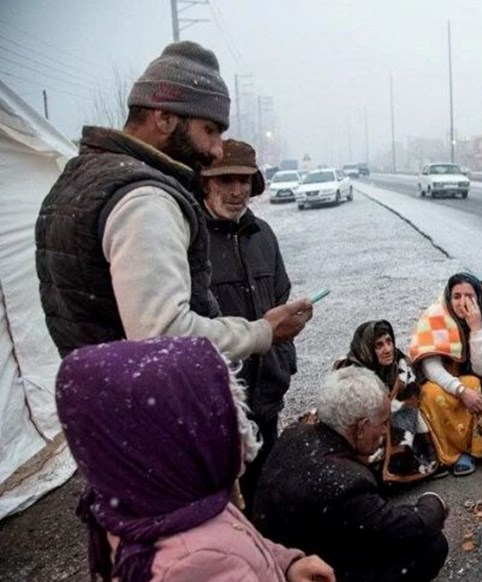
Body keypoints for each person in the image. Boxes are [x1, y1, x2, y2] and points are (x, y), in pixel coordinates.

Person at [56, 336, 347, 582]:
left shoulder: (157, 504)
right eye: (227, 418)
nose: (238, 430)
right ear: (185, 443)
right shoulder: (196, 564)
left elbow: (230, 538)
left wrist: (285, 563)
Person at [36, 41, 311, 360]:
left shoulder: (82, 177)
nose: (216, 150)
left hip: (102, 396)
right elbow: (166, 337)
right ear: (165, 117)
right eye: (209, 130)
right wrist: (263, 331)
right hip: (147, 403)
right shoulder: (144, 199)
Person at [253, 366, 449, 582]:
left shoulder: (295, 434)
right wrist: (434, 504)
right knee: (432, 543)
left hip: (288, 561)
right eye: (382, 423)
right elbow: (397, 526)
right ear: (359, 427)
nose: (385, 431)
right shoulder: (345, 480)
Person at [199, 138, 298, 511]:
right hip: (217, 401)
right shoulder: (192, 241)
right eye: (226, 180)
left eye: (244, 180)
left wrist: (283, 362)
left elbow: (281, 298)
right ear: (206, 183)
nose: (237, 191)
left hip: (266, 395)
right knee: (223, 503)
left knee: (265, 492)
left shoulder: (264, 236)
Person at [408, 272, 482, 476]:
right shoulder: (434, 317)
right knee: (430, 393)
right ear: (448, 298)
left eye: (469, 296)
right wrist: (460, 390)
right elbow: (431, 367)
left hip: (469, 379)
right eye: (456, 296)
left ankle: (472, 451)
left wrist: (475, 329)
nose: (462, 302)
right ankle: (447, 455)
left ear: (479, 299)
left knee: (476, 383)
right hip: (441, 382)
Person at [334, 320, 440, 482]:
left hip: (391, 427)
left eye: (389, 342)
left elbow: (407, 403)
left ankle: (397, 461)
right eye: (379, 345)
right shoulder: (348, 374)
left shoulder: (401, 365)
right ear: (367, 349)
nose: (388, 349)